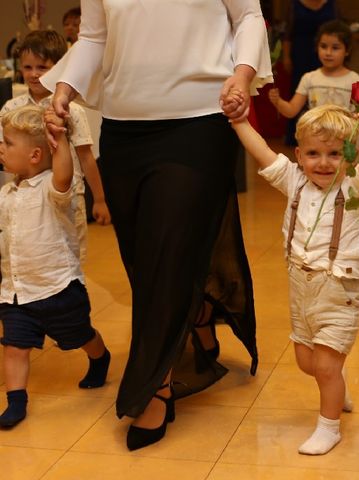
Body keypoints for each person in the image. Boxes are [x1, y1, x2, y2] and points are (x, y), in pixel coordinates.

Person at [42, 0, 272, 451]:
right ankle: (198, 308)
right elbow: (93, 37)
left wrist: (242, 76)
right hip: (125, 129)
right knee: (144, 260)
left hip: (200, 122)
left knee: (167, 254)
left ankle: (154, 386)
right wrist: (64, 89)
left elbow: (247, 16)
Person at [231, 104, 359, 455]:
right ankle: (337, 388)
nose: (324, 163)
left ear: (350, 155)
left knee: (327, 366)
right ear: (298, 155)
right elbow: (264, 153)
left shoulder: (354, 190)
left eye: (334, 154)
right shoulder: (295, 182)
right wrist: (240, 121)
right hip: (300, 288)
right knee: (307, 363)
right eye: (313, 154)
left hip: (339, 290)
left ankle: (329, 427)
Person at [0, 105, 111, 428]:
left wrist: (59, 138)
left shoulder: (53, 189)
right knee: (15, 347)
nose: (1, 148)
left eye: (7, 143)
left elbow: (64, 172)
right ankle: (16, 402)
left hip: (58, 288)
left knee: (78, 335)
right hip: (17, 292)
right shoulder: (6, 193)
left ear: (35, 155)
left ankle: (99, 356)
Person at [0, 30, 111, 266]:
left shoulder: (71, 110)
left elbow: (86, 157)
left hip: (68, 197)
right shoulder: (12, 107)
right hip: (27, 196)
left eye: (42, 67)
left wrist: (100, 199)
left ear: (60, 67)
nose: (33, 74)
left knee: (71, 255)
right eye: (27, 67)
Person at [269, 20, 359, 118]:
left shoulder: (357, 81)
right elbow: (291, 111)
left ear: (347, 50)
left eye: (335, 48)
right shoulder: (308, 78)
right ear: (317, 47)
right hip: (315, 133)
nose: (328, 53)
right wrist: (278, 101)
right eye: (323, 46)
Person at [282, 0, 338, 145]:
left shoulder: (331, 3)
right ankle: (296, 135)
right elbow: (288, 33)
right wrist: (286, 56)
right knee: (299, 91)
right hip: (300, 53)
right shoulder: (295, 5)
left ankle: (325, 130)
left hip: (324, 52)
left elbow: (338, 30)